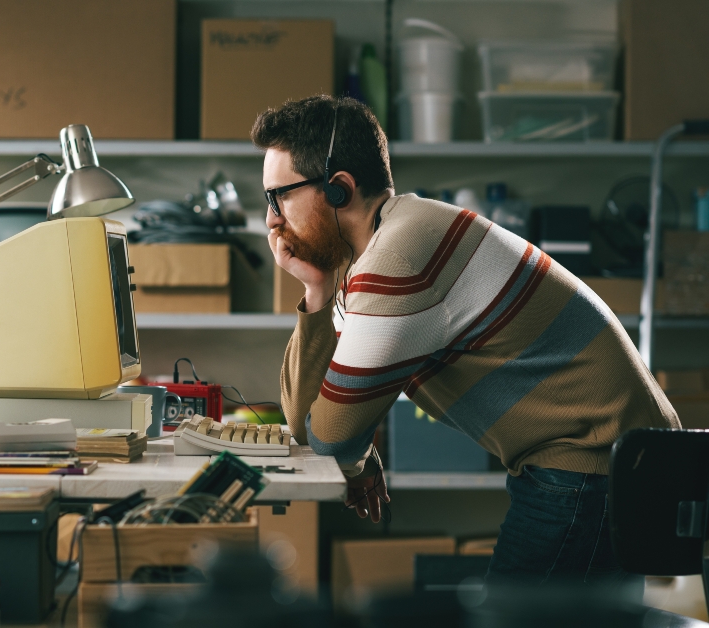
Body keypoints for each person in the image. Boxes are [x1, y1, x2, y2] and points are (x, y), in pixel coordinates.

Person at [254, 95, 680, 587]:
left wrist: (352, 447)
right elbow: (309, 426)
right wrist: (317, 290)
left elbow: (329, 438)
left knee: (508, 619)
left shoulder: (397, 258)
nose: (271, 220)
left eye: (278, 197)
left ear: (339, 189)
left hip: (598, 464)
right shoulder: (376, 255)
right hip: (604, 462)